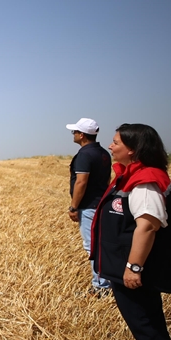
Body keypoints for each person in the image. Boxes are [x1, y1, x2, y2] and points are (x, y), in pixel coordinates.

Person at [90, 124, 171, 340]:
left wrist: (133, 267)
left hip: (138, 268)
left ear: (133, 149)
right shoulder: (133, 176)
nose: (110, 146)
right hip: (126, 265)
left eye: (116, 142)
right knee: (143, 317)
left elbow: (147, 227)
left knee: (145, 320)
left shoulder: (145, 181)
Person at [65, 117, 112, 295]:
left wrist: (73, 207)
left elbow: (81, 182)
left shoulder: (84, 155)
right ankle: (105, 282)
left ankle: (101, 287)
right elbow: (107, 180)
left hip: (89, 206)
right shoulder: (103, 153)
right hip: (101, 203)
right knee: (101, 243)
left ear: (82, 135)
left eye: (74, 132)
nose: (73, 135)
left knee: (92, 246)